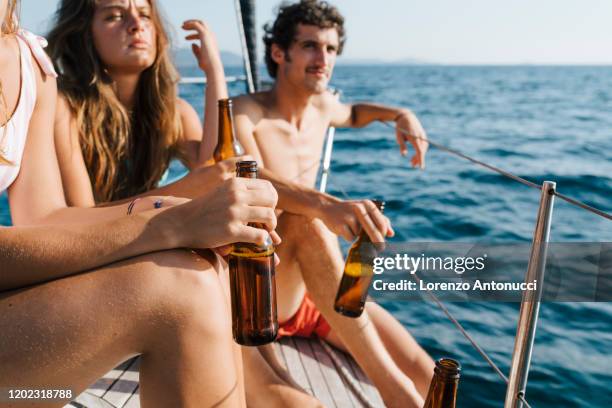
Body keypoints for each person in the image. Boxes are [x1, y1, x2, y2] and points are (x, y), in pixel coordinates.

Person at [0, 0, 281, 406]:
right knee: (181, 286)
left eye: (144, 15)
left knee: (199, 267)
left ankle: (267, 384)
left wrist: (169, 210)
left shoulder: (31, 64)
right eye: (114, 15)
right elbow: (59, 222)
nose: (135, 25)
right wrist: (168, 223)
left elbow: (44, 217)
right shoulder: (67, 105)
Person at [227, 1, 435, 407]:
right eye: (309, 46)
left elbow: (354, 113)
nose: (323, 59)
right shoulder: (246, 112)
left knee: (428, 374)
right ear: (278, 53)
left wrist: (400, 113)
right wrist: (324, 205)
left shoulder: (323, 107)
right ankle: (394, 394)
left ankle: (406, 388)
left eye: (331, 49)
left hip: (306, 290)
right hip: (255, 283)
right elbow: (244, 174)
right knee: (307, 223)